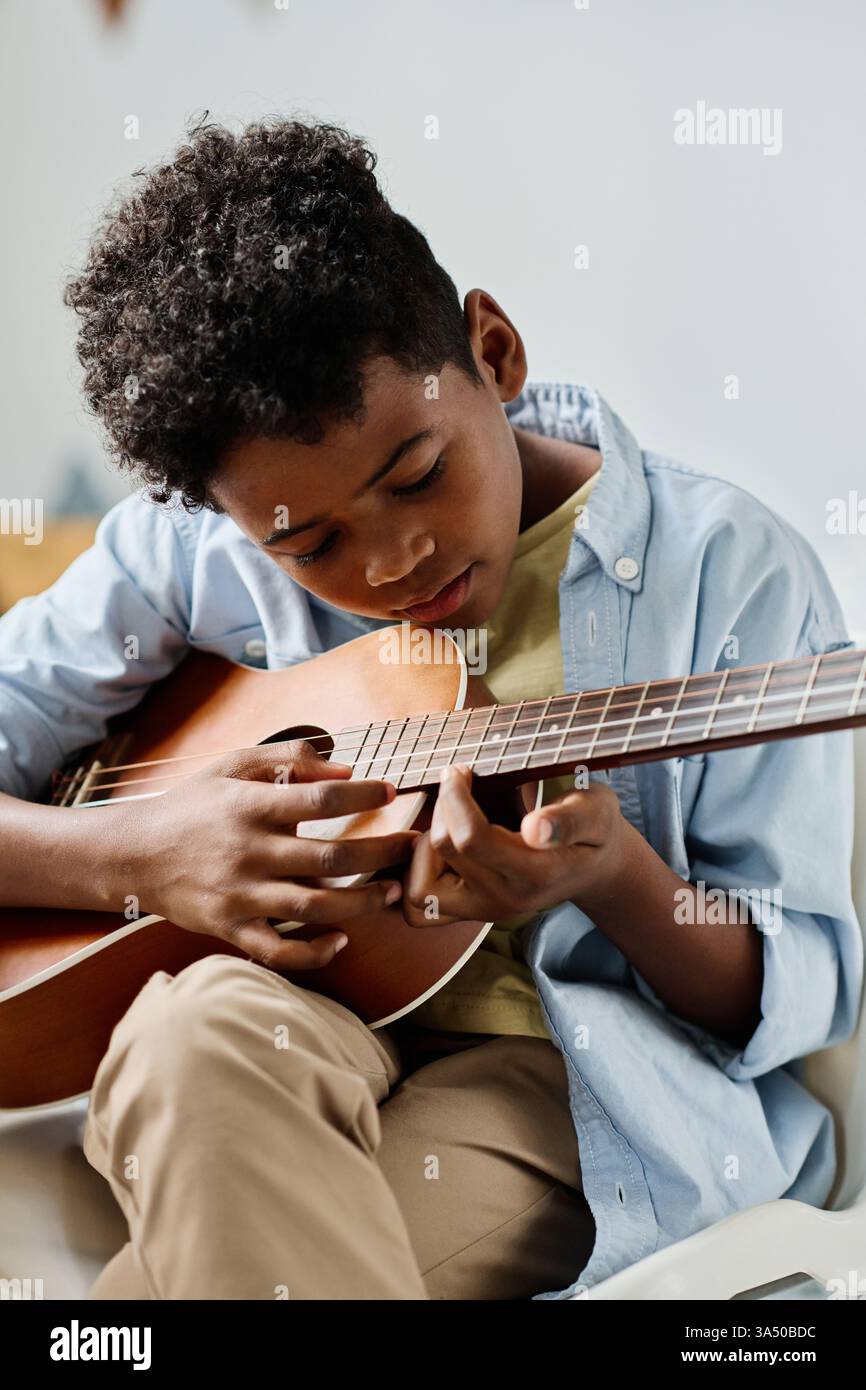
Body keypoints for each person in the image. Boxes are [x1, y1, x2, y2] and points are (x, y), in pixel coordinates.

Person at [0, 116, 861, 1301]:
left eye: (415, 474)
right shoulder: (188, 560)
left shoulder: (729, 573)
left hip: (560, 1078)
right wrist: (137, 854)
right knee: (182, 1025)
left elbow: (800, 986)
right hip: (277, 1025)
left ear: (493, 353)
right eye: (307, 544)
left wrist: (613, 881)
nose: (395, 558)